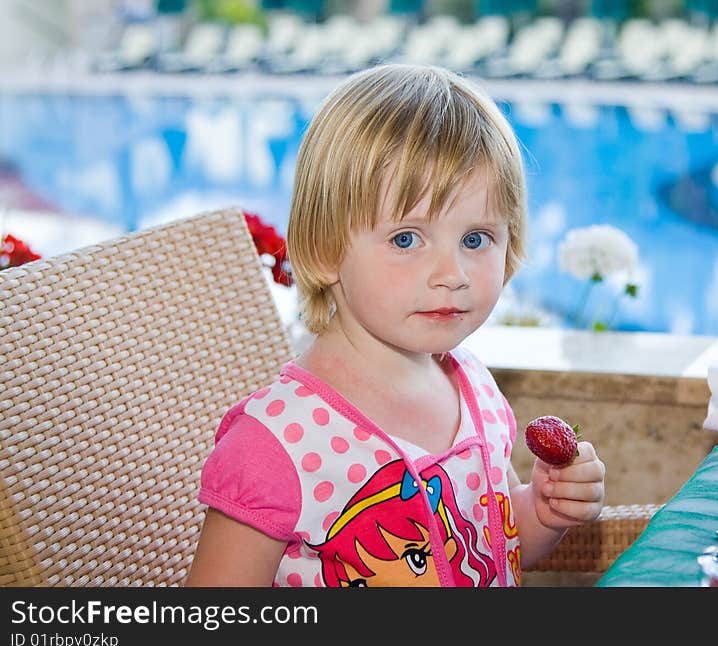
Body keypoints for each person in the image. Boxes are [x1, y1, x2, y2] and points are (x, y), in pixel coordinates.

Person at [186, 64, 605, 587]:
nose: (451, 275)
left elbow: (494, 544)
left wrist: (543, 512)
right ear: (324, 249)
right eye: (407, 239)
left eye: (475, 239)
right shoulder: (278, 443)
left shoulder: (474, 390)